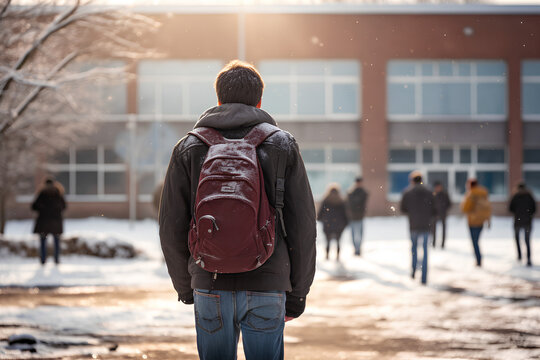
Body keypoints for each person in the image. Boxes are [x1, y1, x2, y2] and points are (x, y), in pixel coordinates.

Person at [159, 60, 317, 360]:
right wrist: (297, 293)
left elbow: (171, 226)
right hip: (269, 281)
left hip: (209, 280)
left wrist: (187, 286)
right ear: (259, 101)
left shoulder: (189, 147)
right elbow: (303, 226)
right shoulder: (282, 145)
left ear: (218, 99)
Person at [400, 171, 435, 285]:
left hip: (413, 225)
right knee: (425, 251)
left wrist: (412, 213)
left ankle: (413, 271)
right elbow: (435, 209)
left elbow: (403, 209)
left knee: (414, 249)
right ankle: (424, 277)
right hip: (426, 225)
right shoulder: (429, 193)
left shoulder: (407, 193)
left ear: (412, 181)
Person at [31, 177, 66, 265]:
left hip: (43, 222)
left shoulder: (42, 194)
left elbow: (34, 207)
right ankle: (56, 259)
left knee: (43, 242)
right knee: (56, 242)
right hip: (56, 222)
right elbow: (64, 206)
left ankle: (43, 259)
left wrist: (42, 208)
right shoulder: (58, 194)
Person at [461, 178, 491, 267]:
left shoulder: (471, 194)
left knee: (474, 242)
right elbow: (488, 207)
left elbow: (465, 208)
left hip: (473, 221)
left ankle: (478, 259)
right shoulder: (483, 194)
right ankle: (479, 258)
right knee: (476, 241)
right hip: (481, 221)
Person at [317, 183, 349, 261]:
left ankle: (327, 255)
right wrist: (346, 222)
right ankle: (337, 255)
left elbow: (320, 212)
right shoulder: (341, 201)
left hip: (327, 224)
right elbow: (345, 213)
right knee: (338, 241)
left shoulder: (325, 200)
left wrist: (321, 219)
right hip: (339, 225)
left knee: (327, 241)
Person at [509, 182, 536, 266]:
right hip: (527, 222)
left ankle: (519, 255)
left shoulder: (515, 196)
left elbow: (510, 208)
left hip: (518, 221)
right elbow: (534, 209)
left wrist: (517, 213)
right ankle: (528, 259)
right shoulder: (529, 196)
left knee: (517, 239)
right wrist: (528, 215)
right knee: (527, 240)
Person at [347, 177, 369, 256]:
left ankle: (358, 249)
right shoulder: (351, 192)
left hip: (359, 216)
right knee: (354, 234)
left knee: (359, 234)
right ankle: (356, 248)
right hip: (353, 216)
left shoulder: (362, 192)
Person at [432, 181, 451, 248]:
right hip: (434, 214)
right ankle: (433, 243)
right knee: (433, 229)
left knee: (443, 229)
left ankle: (443, 244)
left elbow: (449, 203)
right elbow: (430, 204)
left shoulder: (445, 194)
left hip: (443, 214)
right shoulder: (433, 194)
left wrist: (444, 209)